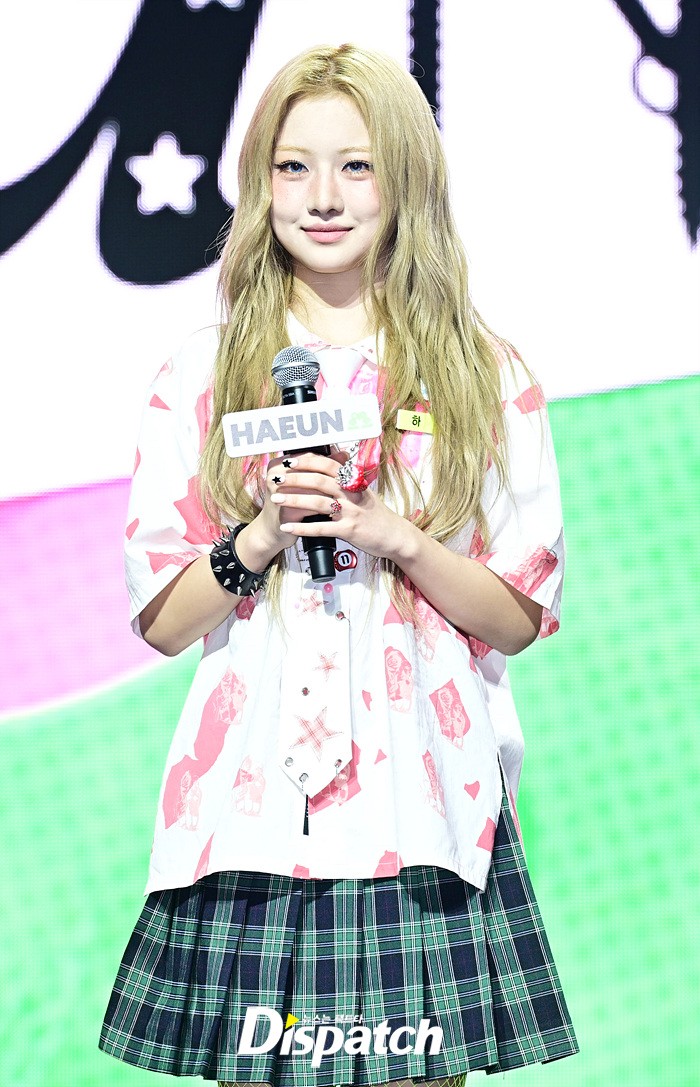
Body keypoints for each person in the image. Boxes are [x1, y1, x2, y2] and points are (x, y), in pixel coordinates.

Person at [98, 43, 579, 1087]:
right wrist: (261, 534)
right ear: (260, 184)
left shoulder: (482, 374)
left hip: (422, 808)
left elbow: (517, 615)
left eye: (356, 166)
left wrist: (393, 534)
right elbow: (164, 619)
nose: (323, 197)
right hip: (254, 814)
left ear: (404, 179)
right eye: (294, 166)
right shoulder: (201, 372)